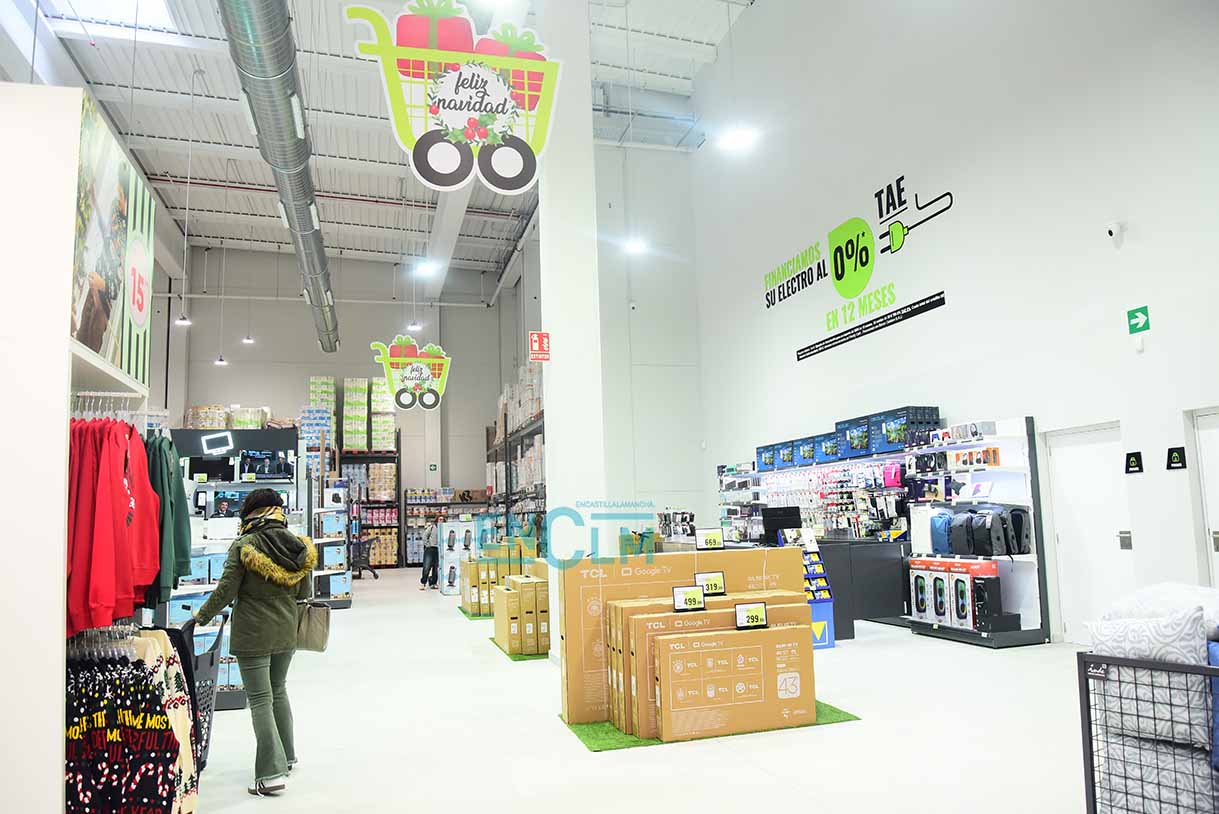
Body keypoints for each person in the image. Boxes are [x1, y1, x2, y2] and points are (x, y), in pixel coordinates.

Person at [195, 488, 316, 797]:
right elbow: (304, 593)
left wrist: (201, 617)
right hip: (286, 629)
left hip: (252, 632)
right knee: (278, 690)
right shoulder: (298, 546)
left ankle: (270, 774)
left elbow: (226, 590)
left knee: (260, 699)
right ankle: (287, 756)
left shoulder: (245, 545)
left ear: (250, 512)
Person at [420, 520, 439, 590]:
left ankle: (433, 583)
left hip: (439, 549)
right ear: (437, 521)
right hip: (430, 549)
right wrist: (428, 545)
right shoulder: (432, 527)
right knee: (427, 566)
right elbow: (424, 536)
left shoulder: (444, 528)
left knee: (436, 567)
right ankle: (423, 583)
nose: (441, 521)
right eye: (440, 519)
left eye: (443, 520)